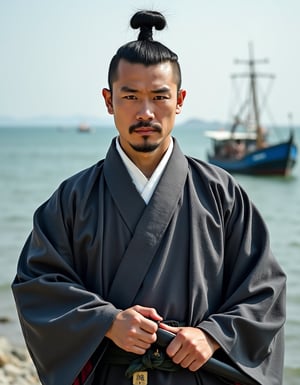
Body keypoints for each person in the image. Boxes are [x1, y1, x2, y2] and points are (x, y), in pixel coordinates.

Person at [12, 10, 286, 385]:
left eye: (159, 96)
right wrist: (107, 322)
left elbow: (264, 290)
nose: (145, 112)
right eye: (130, 96)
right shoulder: (72, 199)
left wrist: (212, 336)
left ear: (180, 100)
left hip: (197, 375)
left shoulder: (221, 194)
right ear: (109, 101)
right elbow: (36, 285)